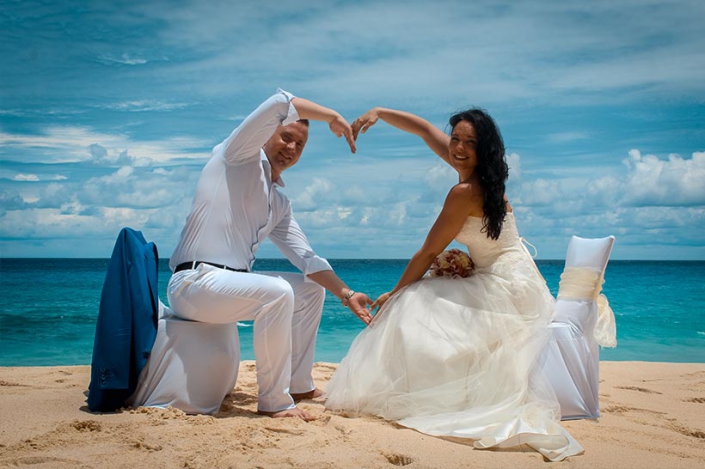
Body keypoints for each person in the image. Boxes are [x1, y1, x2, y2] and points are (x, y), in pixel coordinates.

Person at [324, 107, 583, 461]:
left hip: (506, 284)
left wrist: (392, 297)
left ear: (484, 149)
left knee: (414, 302)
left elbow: (429, 251)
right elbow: (424, 130)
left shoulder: (464, 190)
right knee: (427, 301)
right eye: (456, 139)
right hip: (519, 276)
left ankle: (423, 392)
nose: (458, 148)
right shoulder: (484, 178)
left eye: (469, 143)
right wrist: (380, 113)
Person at [168, 88, 373, 421]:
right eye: (286, 137)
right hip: (193, 283)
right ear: (268, 135)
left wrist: (347, 294)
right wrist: (333, 117)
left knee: (309, 289)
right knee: (278, 294)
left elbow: (307, 259)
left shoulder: (279, 201)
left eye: (300, 145)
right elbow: (281, 102)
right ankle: (275, 402)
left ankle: (298, 383)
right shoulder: (235, 156)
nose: (291, 148)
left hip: (228, 285)